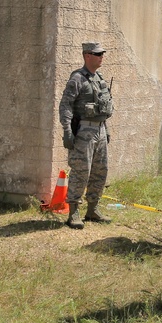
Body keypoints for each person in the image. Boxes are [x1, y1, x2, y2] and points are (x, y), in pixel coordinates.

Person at [59, 42, 115, 230]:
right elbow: (65, 105)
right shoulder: (77, 78)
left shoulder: (99, 78)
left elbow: (103, 107)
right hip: (84, 131)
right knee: (81, 171)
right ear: (87, 55)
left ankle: (92, 209)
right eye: (97, 54)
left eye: (102, 54)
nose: (101, 57)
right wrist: (67, 131)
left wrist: (105, 130)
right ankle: (73, 211)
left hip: (99, 129)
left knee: (100, 170)